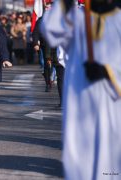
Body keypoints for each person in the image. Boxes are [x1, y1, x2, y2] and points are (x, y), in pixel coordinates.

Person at [41, 0, 121, 179]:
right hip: (82, 100)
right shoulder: (77, 20)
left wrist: (108, 72)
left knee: (109, 158)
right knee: (80, 156)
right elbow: (52, 30)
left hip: (113, 102)